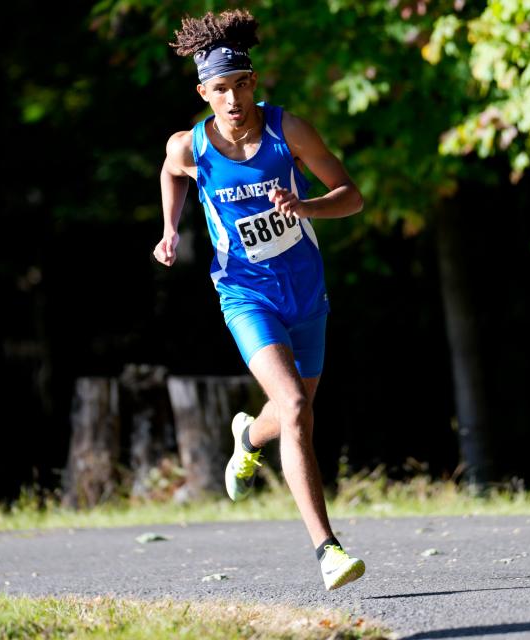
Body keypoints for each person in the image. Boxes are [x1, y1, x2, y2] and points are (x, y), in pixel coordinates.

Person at [152, 9, 365, 591]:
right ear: (205, 92)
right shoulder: (190, 146)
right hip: (245, 295)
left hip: (306, 292)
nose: (234, 99)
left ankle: (247, 437)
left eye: (242, 85)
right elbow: (171, 173)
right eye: (220, 89)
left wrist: (308, 207)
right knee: (296, 408)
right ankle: (327, 550)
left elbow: (351, 196)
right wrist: (171, 229)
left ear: (254, 81)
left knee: (288, 412)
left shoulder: (287, 131)